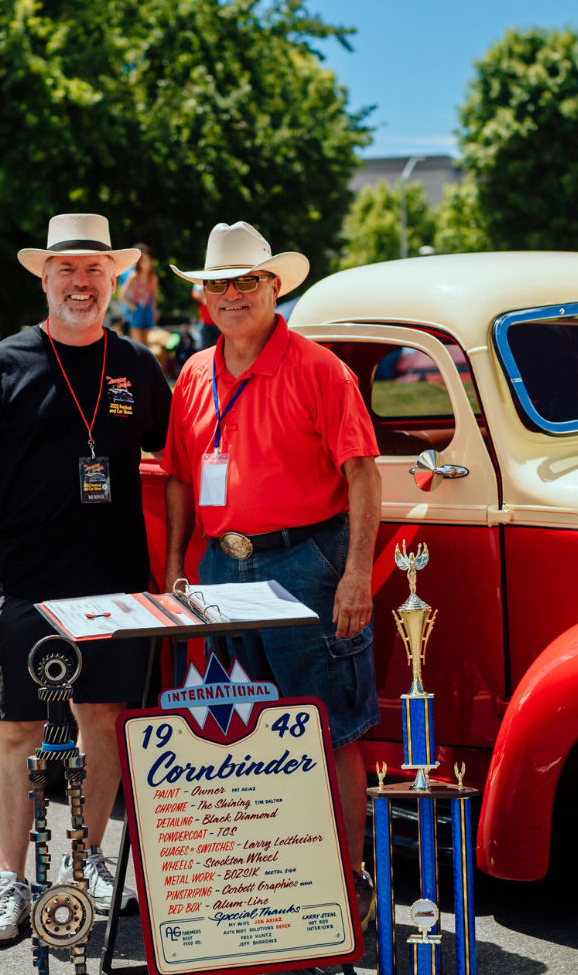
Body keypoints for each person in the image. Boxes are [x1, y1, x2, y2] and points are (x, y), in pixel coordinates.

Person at [0, 213, 173, 946]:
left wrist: (170, 570)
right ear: (44, 278)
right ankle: (10, 882)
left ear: (114, 280)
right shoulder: (0, 364)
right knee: (18, 729)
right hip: (29, 578)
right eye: (67, 271)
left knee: (103, 720)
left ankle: (88, 859)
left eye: (95, 271)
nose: (81, 283)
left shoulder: (137, 365)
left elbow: (173, 468)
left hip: (117, 580)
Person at [161, 221, 382, 927]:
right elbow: (176, 478)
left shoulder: (320, 369)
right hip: (219, 568)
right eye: (217, 285)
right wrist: (175, 562)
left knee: (329, 728)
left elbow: (362, 475)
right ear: (204, 298)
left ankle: (350, 885)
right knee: (239, 732)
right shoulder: (194, 374)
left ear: (274, 286)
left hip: (306, 562)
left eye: (245, 282)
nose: (231, 295)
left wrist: (355, 575)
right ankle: (269, 889)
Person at [119, 242, 159, 344]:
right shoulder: (133, 276)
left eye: (149, 260)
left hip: (147, 310)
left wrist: (154, 311)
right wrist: (131, 306)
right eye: (144, 260)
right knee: (137, 344)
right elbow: (121, 295)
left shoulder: (153, 278)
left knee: (146, 346)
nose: (147, 263)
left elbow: (154, 297)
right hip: (136, 310)